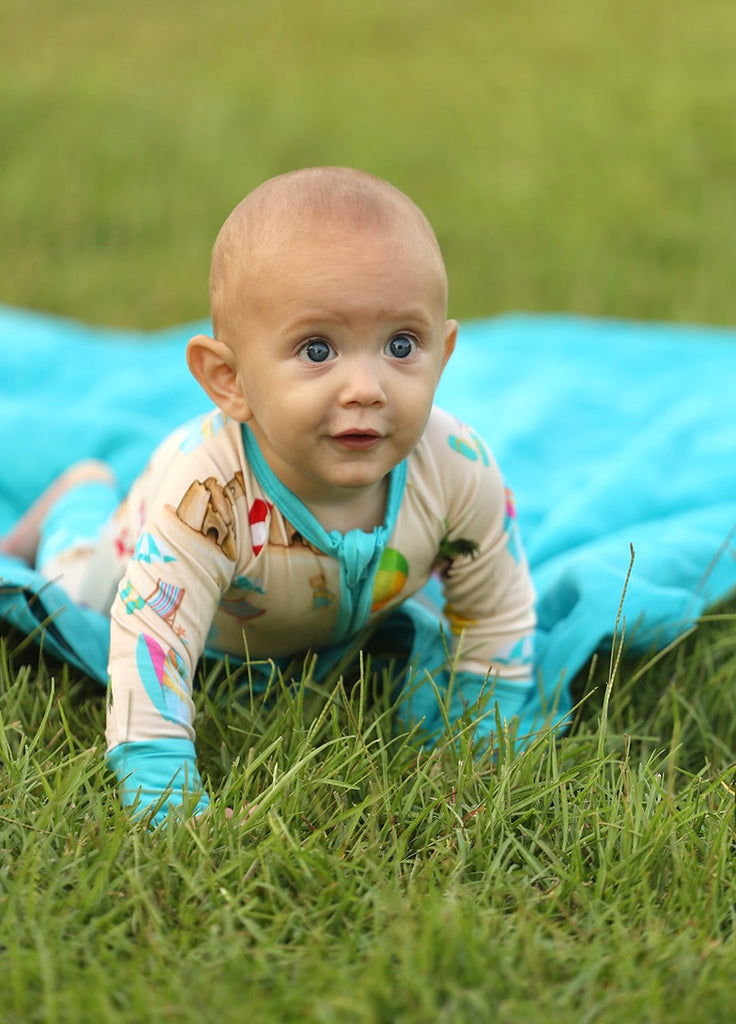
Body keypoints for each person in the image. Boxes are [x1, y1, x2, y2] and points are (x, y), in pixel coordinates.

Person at [1, 167, 537, 825]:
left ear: (444, 353)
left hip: (316, 617)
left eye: (403, 345)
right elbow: (151, 643)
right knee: (72, 581)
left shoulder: (458, 470)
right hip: (135, 569)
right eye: (318, 349)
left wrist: (479, 745)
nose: (366, 386)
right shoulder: (206, 499)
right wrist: (164, 794)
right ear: (229, 381)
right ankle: (76, 501)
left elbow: (494, 610)